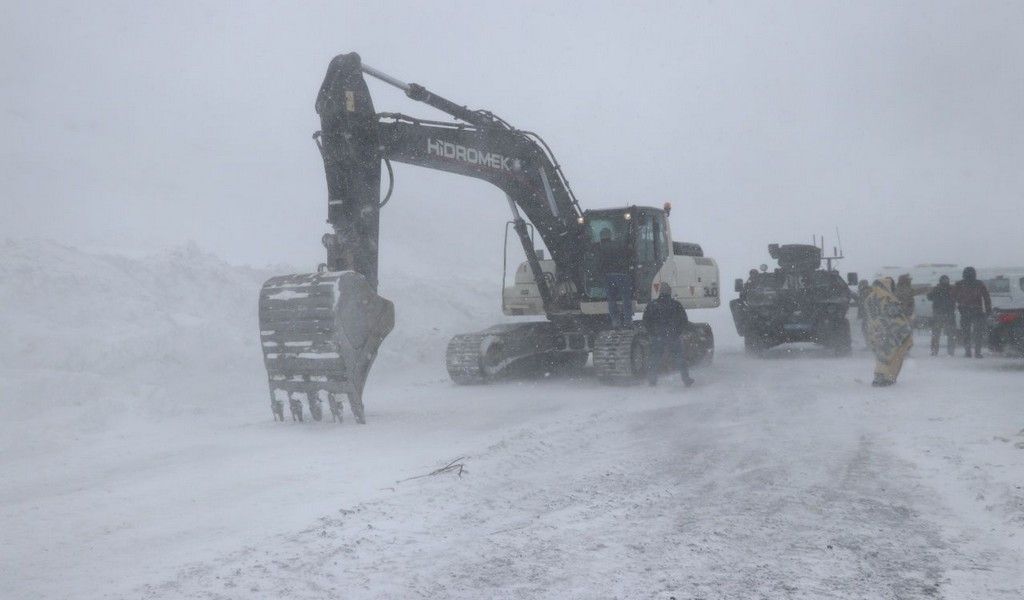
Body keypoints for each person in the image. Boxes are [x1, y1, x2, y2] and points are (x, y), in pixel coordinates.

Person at [863, 278, 914, 387]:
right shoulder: (887, 297)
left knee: (881, 355)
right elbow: (895, 315)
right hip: (891, 331)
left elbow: (869, 315)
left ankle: (879, 375)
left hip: (876, 330)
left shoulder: (869, 298)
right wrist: (905, 328)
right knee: (894, 354)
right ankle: (888, 377)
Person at [642, 283, 694, 387]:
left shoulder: (652, 305)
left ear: (660, 293)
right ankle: (686, 379)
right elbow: (684, 320)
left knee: (654, 358)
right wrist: (677, 332)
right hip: (673, 336)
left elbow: (646, 321)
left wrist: (653, 332)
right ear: (669, 293)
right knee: (679, 358)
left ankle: (652, 380)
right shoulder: (676, 305)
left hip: (658, 336)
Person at [596, 227, 633, 328]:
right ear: (610, 235)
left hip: (608, 276)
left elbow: (599, 263)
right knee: (626, 298)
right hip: (622, 275)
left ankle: (615, 321)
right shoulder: (619, 245)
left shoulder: (600, 248)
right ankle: (628, 320)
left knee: (611, 300)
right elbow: (628, 255)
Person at [952, 266, 991, 358]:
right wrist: (988, 310)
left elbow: (953, 297)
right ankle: (977, 352)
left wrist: (957, 306)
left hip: (965, 311)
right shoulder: (979, 284)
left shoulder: (959, 284)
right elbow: (986, 298)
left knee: (967, 333)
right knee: (977, 333)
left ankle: (968, 351)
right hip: (977, 311)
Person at [926, 275, 957, 356]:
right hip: (949, 313)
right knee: (951, 334)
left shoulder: (936, 289)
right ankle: (951, 351)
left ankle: (934, 351)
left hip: (938, 313)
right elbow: (957, 297)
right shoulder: (952, 289)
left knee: (936, 333)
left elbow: (929, 297)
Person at [855, 279, 871, 347]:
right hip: (868, 315)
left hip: (867, 315)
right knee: (866, 329)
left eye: (860, 284)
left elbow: (862, 303)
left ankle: (869, 344)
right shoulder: (868, 291)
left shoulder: (865, 292)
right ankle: (870, 344)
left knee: (866, 329)